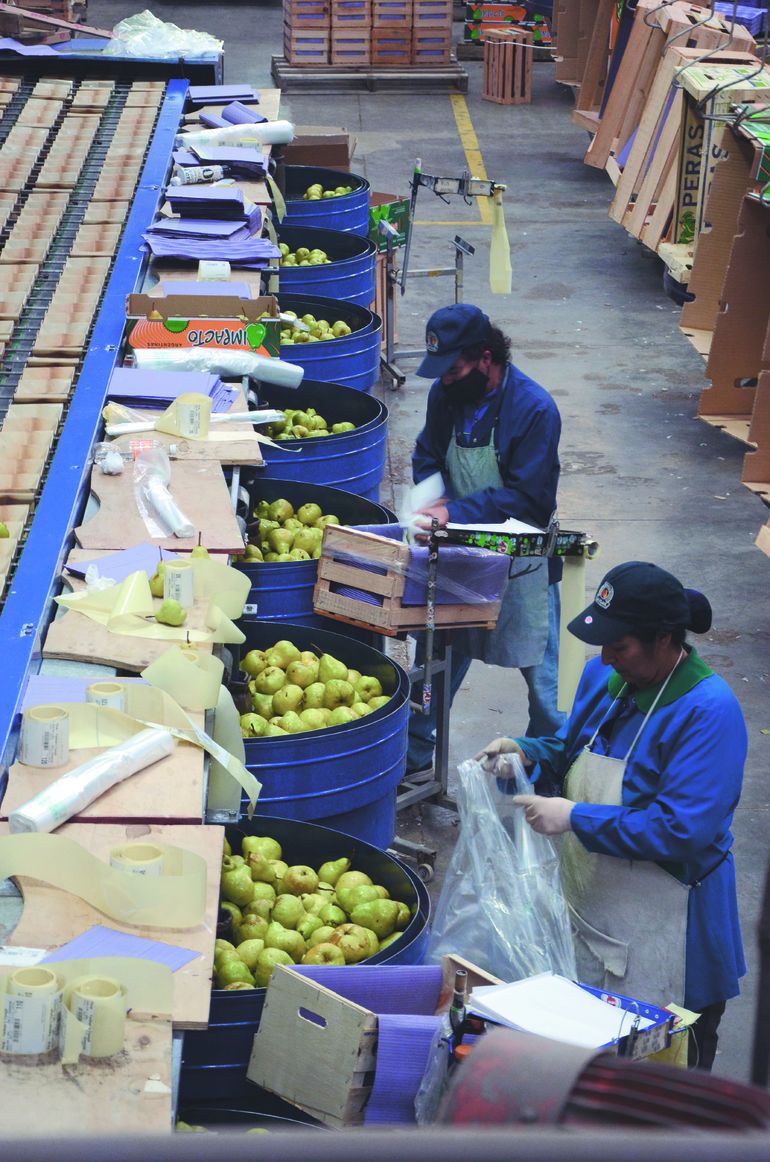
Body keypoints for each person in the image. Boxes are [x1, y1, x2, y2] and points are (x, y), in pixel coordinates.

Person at [477, 560, 747, 1071]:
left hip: (675, 931)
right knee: (592, 1078)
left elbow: (680, 831)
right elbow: (572, 746)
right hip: (596, 915)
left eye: (619, 647)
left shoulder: (709, 712)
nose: (604, 657)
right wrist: (527, 751)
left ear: (664, 640)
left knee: (665, 1091)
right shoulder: (609, 674)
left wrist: (575, 817)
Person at [406, 303, 564, 775]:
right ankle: (412, 762)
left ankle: (547, 768)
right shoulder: (446, 394)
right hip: (458, 556)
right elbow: (426, 453)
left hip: (521, 565)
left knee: (547, 687)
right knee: (431, 672)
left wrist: (453, 510)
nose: (447, 380)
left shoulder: (534, 409)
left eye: (454, 369)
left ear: (486, 357)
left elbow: (529, 500)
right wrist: (429, 496)